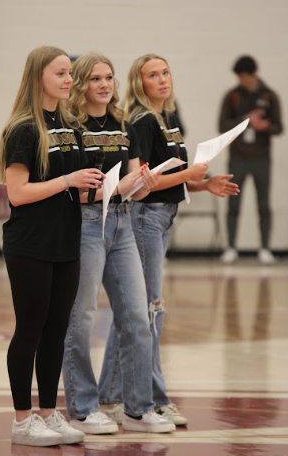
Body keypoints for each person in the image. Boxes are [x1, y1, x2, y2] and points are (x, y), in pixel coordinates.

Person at [98, 53, 239, 426]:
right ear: (138, 83)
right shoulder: (142, 120)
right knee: (148, 313)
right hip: (145, 217)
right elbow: (146, 184)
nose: (162, 80)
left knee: (136, 314)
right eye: (152, 75)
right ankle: (154, 397)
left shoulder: (169, 118)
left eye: (165, 72)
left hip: (164, 218)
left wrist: (203, 183)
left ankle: (111, 395)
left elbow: (175, 174)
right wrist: (189, 174)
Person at [0, 46, 105, 447]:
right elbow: (18, 193)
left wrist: (120, 189)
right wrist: (68, 181)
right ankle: (23, 419)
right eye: (60, 73)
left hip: (66, 241)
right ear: (38, 76)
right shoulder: (23, 127)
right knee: (30, 329)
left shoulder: (70, 126)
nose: (68, 80)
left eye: (69, 74)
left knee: (57, 330)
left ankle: (48, 412)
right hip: (30, 244)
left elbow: (79, 190)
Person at [62, 52, 176, 435]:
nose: (104, 84)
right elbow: (71, 190)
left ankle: (138, 408)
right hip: (87, 225)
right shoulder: (71, 125)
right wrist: (117, 188)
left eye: (108, 77)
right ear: (81, 83)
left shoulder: (122, 119)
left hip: (124, 223)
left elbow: (132, 177)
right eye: (95, 78)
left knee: (138, 319)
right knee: (82, 320)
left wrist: (142, 181)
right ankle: (82, 407)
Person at [219, 55, 283, 264]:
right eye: (240, 77)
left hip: (261, 157)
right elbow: (223, 126)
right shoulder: (232, 96)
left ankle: (265, 248)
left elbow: (279, 126)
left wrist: (265, 127)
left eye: (245, 77)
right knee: (233, 204)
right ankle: (231, 247)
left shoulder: (269, 95)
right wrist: (246, 120)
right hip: (238, 157)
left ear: (253, 74)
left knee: (263, 204)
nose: (242, 81)